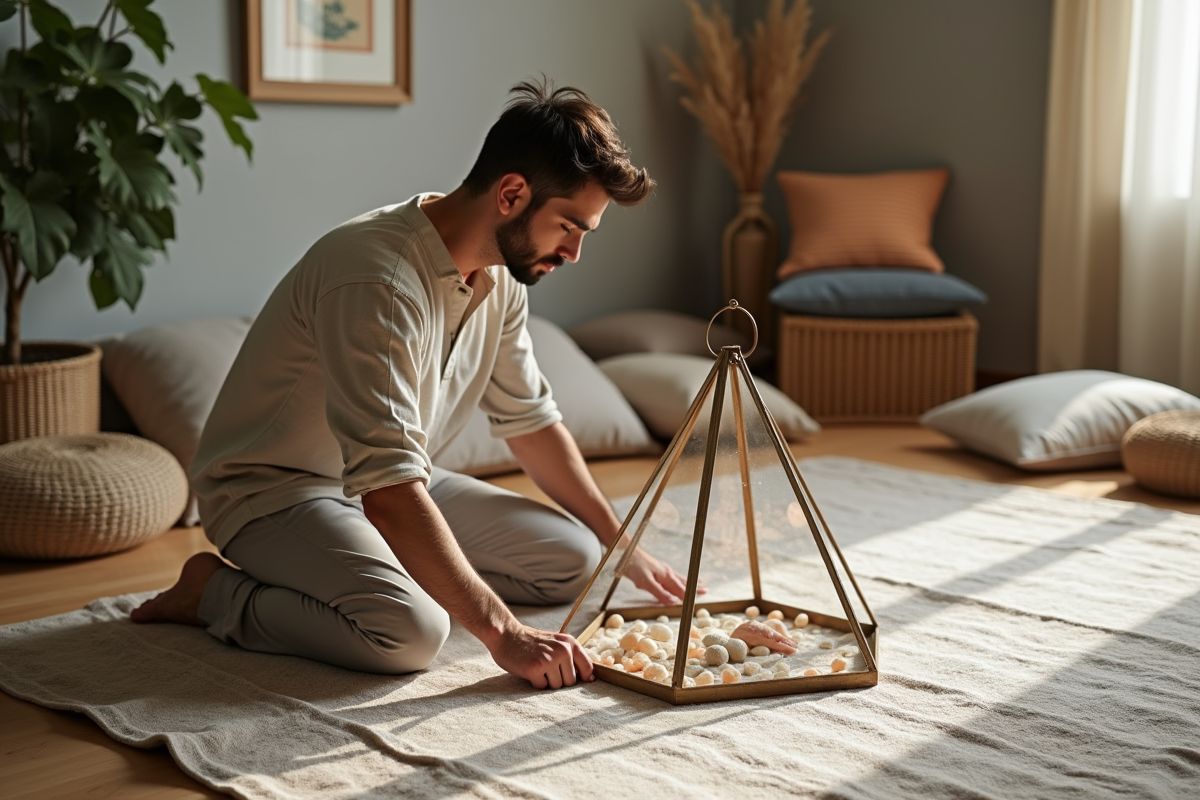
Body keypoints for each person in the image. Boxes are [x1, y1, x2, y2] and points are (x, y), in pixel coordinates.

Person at [131, 79, 693, 690]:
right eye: (569, 227)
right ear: (511, 194)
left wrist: (622, 544)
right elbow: (389, 491)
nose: (575, 252)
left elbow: (530, 421)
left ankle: (383, 561)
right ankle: (211, 593)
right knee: (410, 631)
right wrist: (503, 634)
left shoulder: (500, 276)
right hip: (274, 491)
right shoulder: (377, 280)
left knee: (574, 558)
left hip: (383, 481)